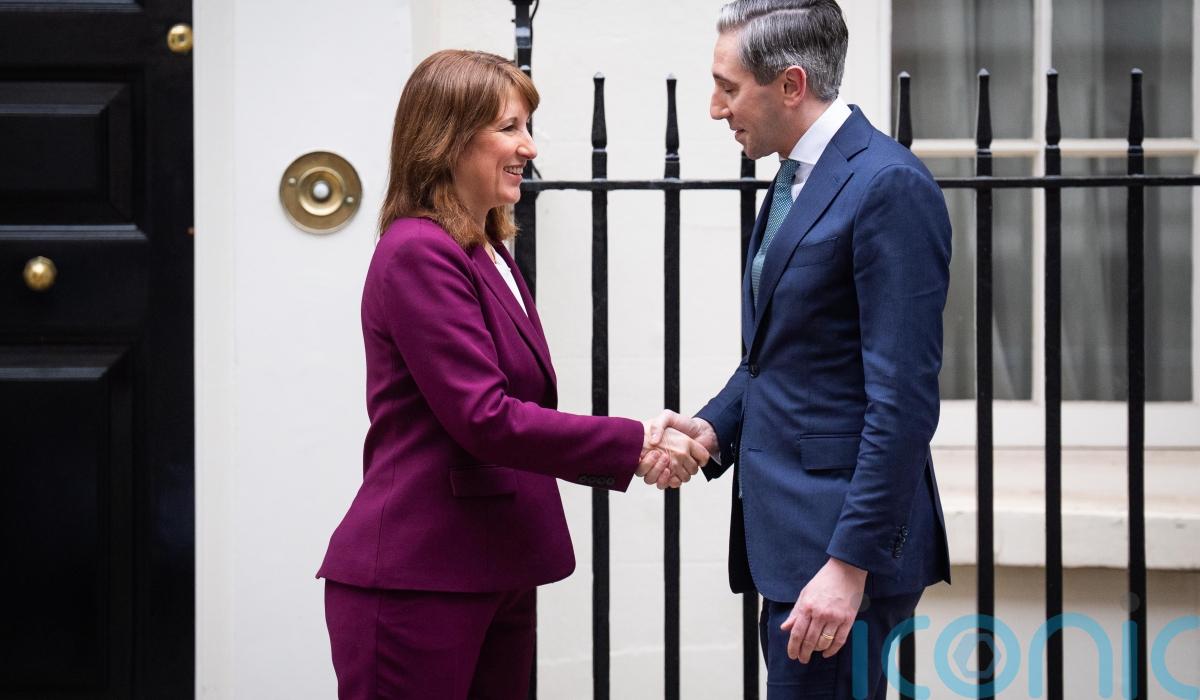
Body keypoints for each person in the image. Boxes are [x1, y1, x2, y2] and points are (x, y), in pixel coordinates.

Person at [316, 49, 709, 700]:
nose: (529, 147)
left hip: (491, 565)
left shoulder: (486, 248)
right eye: (509, 128)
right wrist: (634, 441)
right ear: (446, 138)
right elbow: (484, 417)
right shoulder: (418, 250)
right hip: (419, 575)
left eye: (528, 126)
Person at [651, 1, 952, 697]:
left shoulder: (888, 185)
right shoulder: (796, 176)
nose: (715, 109)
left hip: (839, 560)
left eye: (728, 88)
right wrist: (711, 429)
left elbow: (903, 400)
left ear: (790, 85)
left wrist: (849, 564)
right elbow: (781, 354)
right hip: (795, 546)